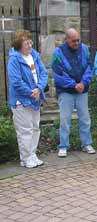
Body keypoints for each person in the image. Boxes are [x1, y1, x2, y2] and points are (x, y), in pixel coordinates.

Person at [51, 28, 96, 157]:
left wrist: (83, 83)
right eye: (73, 41)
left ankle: (86, 143)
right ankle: (63, 146)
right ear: (66, 40)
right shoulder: (58, 53)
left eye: (78, 40)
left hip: (82, 90)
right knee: (65, 120)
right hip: (66, 91)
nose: (76, 43)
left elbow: (89, 67)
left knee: (85, 118)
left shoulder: (84, 49)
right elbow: (58, 74)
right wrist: (73, 85)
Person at [7, 30, 48, 168]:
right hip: (21, 101)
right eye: (27, 43)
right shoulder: (14, 59)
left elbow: (43, 73)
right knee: (25, 130)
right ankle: (25, 158)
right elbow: (16, 81)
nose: (30, 45)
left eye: (31, 42)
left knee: (35, 128)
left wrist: (39, 88)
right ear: (19, 45)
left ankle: (32, 154)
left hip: (35, 98)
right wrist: (31, 92)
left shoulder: (34, 56)